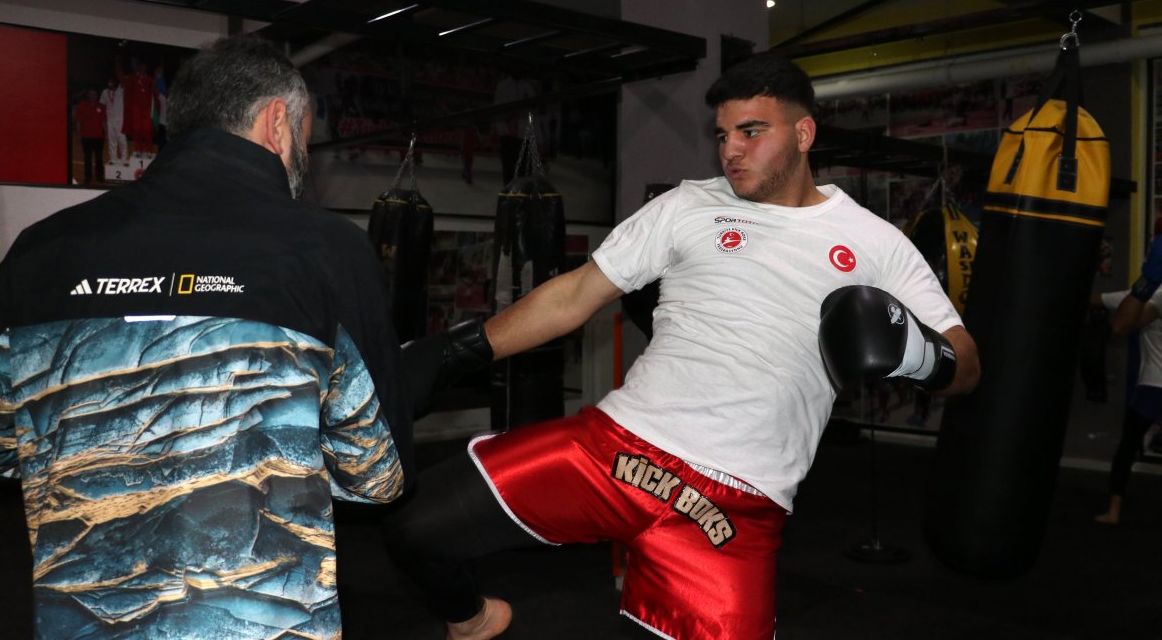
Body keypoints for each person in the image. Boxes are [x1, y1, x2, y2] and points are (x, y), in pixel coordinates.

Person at [385, 52, 980, 640]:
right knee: (413, 526)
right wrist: (452, 352)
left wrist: (922, 356)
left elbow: (967, 362)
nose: (730, 150)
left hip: (734, 506)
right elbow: (575, 294)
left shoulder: (874, 242)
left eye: (751, 131)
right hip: (613, 449)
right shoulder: (687, 205)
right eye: (722, 135)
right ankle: (474, 620)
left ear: (803, 133)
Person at [0, 34, 415, 637]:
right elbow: (376, 474)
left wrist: (85, 452)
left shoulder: (45, 246)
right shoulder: (325, 249)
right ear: (277, 121)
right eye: (304, 137)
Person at [1094, 237, 1162, 525]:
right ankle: (1114, 511)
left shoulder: (1155, 293)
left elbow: (1121, 325)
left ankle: (1114, 511)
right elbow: (1104, 300)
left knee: (1127, 446)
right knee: (1128, 444)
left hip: (1155, 386)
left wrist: (1146, 283)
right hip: (1153, 386)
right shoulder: (1150, 292)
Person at [72, 88, 105, 184]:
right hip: (86, 137)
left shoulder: (101, 106)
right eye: (91, 94)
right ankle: (88, 177)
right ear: (88, 95)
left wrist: (105, 134)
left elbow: (103, 121)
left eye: (94, 94)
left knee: (99, 158)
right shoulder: (82, 106)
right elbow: (78, 122)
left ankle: (99, 176)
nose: (92, 96)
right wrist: (78, 135)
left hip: (99, 137)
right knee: (87, 158)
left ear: (97, 96)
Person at [99, 75, 127, 166]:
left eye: (112, 82)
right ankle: (113, 158)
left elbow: (122, 80)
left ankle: (124, 159)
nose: (110, 84)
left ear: (116, 83)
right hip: (110, 119)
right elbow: (102, 105)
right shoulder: (104, 92)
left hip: (120, 119)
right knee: (111, 140)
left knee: (121, 139)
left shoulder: (121, 90)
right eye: (109, 83)